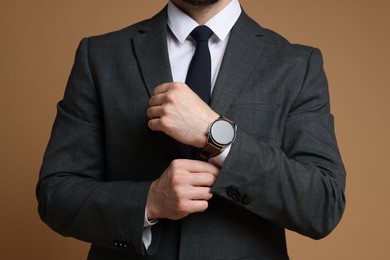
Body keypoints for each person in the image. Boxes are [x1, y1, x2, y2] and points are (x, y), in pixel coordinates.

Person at [36, 0, 346, 259]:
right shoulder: (101, 56)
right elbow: (57, 194)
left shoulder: (296, 64)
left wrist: (217, 134)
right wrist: (149, 201)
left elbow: (322, 205)